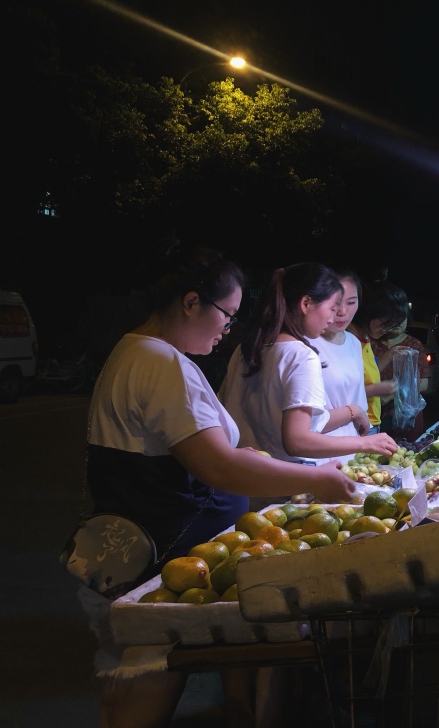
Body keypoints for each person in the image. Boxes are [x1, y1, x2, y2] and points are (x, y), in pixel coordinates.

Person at [83, 246, 365, 728]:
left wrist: (246, 457)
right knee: (146, 682)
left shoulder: (135, 350)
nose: (229, 328)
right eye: (226, 314)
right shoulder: (160, 362)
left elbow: (200, 450)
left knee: (137, 680)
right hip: (164, 557)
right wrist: (320, 477)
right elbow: (218, 467)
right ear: (191, 302)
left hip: (147, 551)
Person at [218, 262, 398, 468]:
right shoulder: (302, 355)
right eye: (332, 307)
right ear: (305, 304)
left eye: (350, 302)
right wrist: (366, 442)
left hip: (244, 472)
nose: (334, 316)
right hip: (285, 475)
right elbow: (298, 440)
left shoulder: (249, 346)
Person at [371, 288, 431, 442]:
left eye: (401, 319)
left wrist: (392, 394)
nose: (397, 323)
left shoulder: (414, 345)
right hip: (375, 412)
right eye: (393, 319)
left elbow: (423, 383)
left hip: (407, 415)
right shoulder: (371, 343)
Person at [319, 267, 372, 439]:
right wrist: (353, 411)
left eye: (351, 302)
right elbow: (307, 423)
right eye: (335, 303)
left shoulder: (353, 342)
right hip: (319, 448)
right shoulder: (303, 345)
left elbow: (359, 402)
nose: (342, 311)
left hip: (353, 447)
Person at [348, 277, 406, 433]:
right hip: (357, 424)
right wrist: (375, 390)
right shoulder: (348, 341)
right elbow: (344, 394)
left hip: (372, 421)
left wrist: (390, 354)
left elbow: (366, 374)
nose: (388, 329)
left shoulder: (365, 338)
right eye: (385, 323)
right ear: (369, 312)